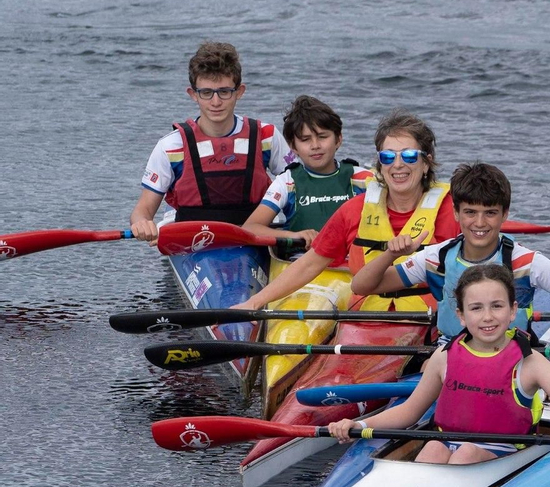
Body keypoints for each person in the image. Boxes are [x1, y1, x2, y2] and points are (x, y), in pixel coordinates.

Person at [326, 264, 550, 464]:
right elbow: (409, 412)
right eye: (476, 308)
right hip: (447, 446)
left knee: (467, 452)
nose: (487, 317)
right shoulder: (444, 357)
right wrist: (360, 426)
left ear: (513, 311)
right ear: (460, 315)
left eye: (497, 306)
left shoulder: (530, 363)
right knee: (433, 447)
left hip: (505, 455)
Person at [350, 162, 550, 375]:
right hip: (449, 355)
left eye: (490, 213)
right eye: (470, 212)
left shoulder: (527, 262)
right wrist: (391, 254)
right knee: (430, 366)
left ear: (505, 214)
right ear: (455, 213)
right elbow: (361, 286)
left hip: (510, 356)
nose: (480, 223)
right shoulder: (435, 257)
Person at [237, 110, 460, 312]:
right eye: (388, 157)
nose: (398, 165)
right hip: (366, 319)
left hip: (429, 321)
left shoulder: (456, 208)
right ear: (380, 164)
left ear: (426, 163)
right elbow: (310, 264)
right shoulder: (355, 209)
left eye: (409, 156)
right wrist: (253, 303)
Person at [130, 41, 291, 239]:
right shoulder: (171, 146)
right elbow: (143, 210)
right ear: (193, 95)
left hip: (255, 238)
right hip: (194, 240)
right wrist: (141, 224)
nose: (216, 102)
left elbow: (299, 188)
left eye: (224, 92)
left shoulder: (267, 136)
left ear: (239, 92)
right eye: (206, 93)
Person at [241, 95, 373, 256]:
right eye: (305, 140)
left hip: (352, 265)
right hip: (300, 264)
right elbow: (250, 228)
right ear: (293, 146)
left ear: (338, 139)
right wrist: (294, 235)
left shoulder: (363, 179)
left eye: (323, 137)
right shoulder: (287, 183)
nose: (315, 146)